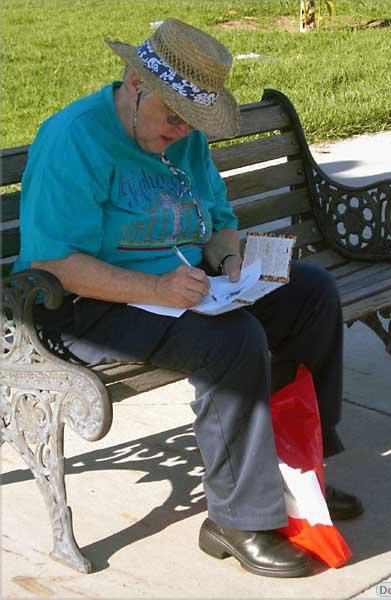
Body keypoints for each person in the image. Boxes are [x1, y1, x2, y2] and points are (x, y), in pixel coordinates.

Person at [13, 18, 363, 578]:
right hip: (86, 304)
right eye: (173, 115)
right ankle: (237, 518)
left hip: (185, 285)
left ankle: (302, 476)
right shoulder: (74, 138)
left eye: (192, 119)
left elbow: (218, 221)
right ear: (134, 81)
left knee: (311, 293)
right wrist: (155, 288)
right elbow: (55, 263)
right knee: (230, 341)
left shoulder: (187, 139)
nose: (181, 130)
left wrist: (230, 262)